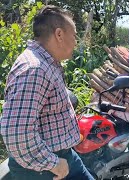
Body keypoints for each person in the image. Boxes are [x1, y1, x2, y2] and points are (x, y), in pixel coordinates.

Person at [0, 5, 94, 180]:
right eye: (74, 35)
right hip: (41, 169)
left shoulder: (47, 63)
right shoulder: (34, 69)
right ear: (59, 34)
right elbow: (17, 135)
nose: (76, 41)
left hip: (61, 157)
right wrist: (53, 163)